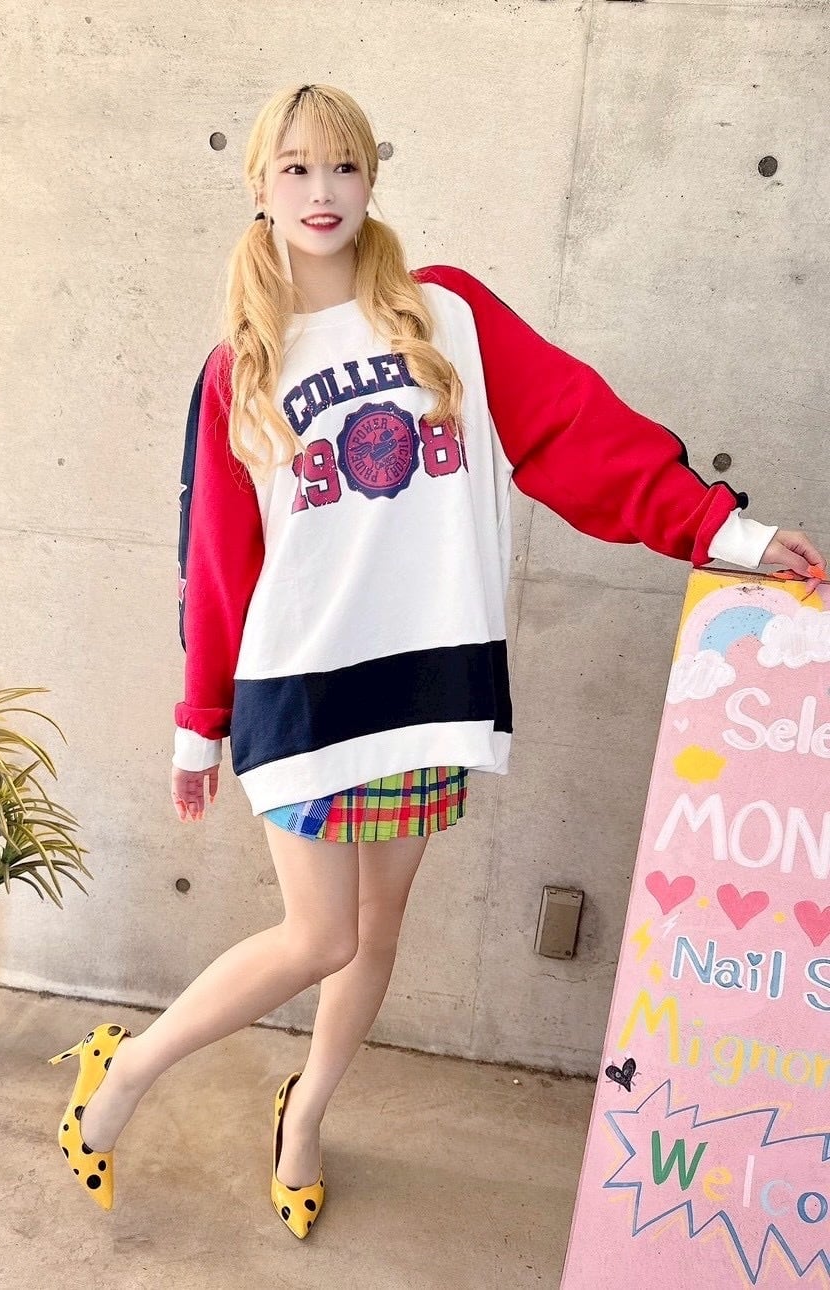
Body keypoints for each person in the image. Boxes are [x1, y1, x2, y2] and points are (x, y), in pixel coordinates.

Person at [49, 83, 825, 1235]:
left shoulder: (444, 312)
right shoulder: (238, 369)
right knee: (318, 936)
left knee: (374, 935)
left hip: (428, 681)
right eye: (296, 168)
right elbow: (216, 561)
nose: (321, 192)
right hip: (301, 687)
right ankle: (119, 1075)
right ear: (258, 185)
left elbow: (580, 434)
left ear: (371, 178)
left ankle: (304, 1118)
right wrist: (197, 725)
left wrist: (730, 535)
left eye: (343, 167)